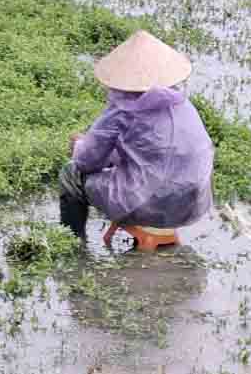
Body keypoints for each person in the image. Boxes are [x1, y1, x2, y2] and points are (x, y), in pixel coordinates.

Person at [58, 30, 214, 239]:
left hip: (148, 203)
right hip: (191, 204)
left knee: (70, 174)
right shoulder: (184, 105)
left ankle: (72, 244)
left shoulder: (122, 110)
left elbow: (87, 161)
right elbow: (151, 153)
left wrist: (79, 145)